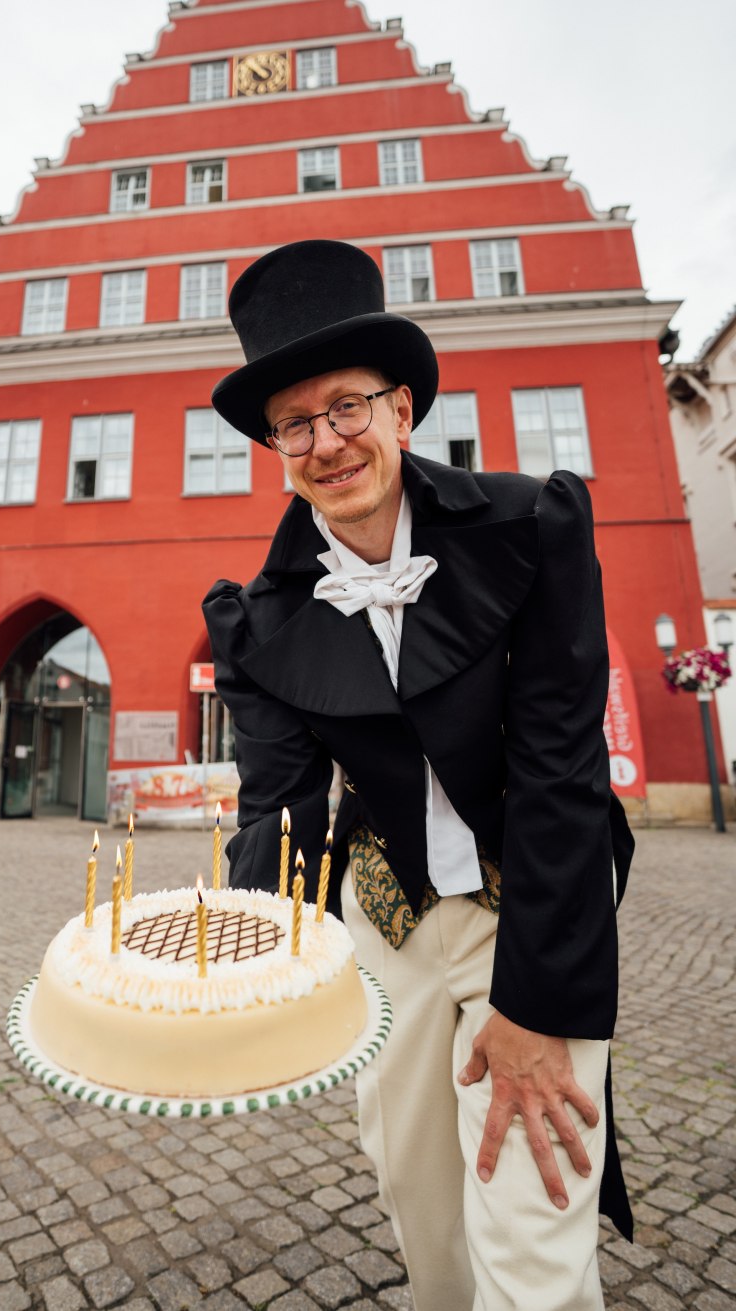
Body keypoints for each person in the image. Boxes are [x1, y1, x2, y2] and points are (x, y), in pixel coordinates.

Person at [202, 239, 633, 1310]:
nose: (327, 441)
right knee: (424, 1215)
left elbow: (561, 775)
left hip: (527, 907)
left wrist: (536, 1005)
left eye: (348, 406)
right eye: (295, 423)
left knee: (532, 1223)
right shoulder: (258, 620)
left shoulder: (529, 529)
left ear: (402, 409)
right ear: (275, 447)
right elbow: (283, 813)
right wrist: (247, 983)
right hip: (385, 924)